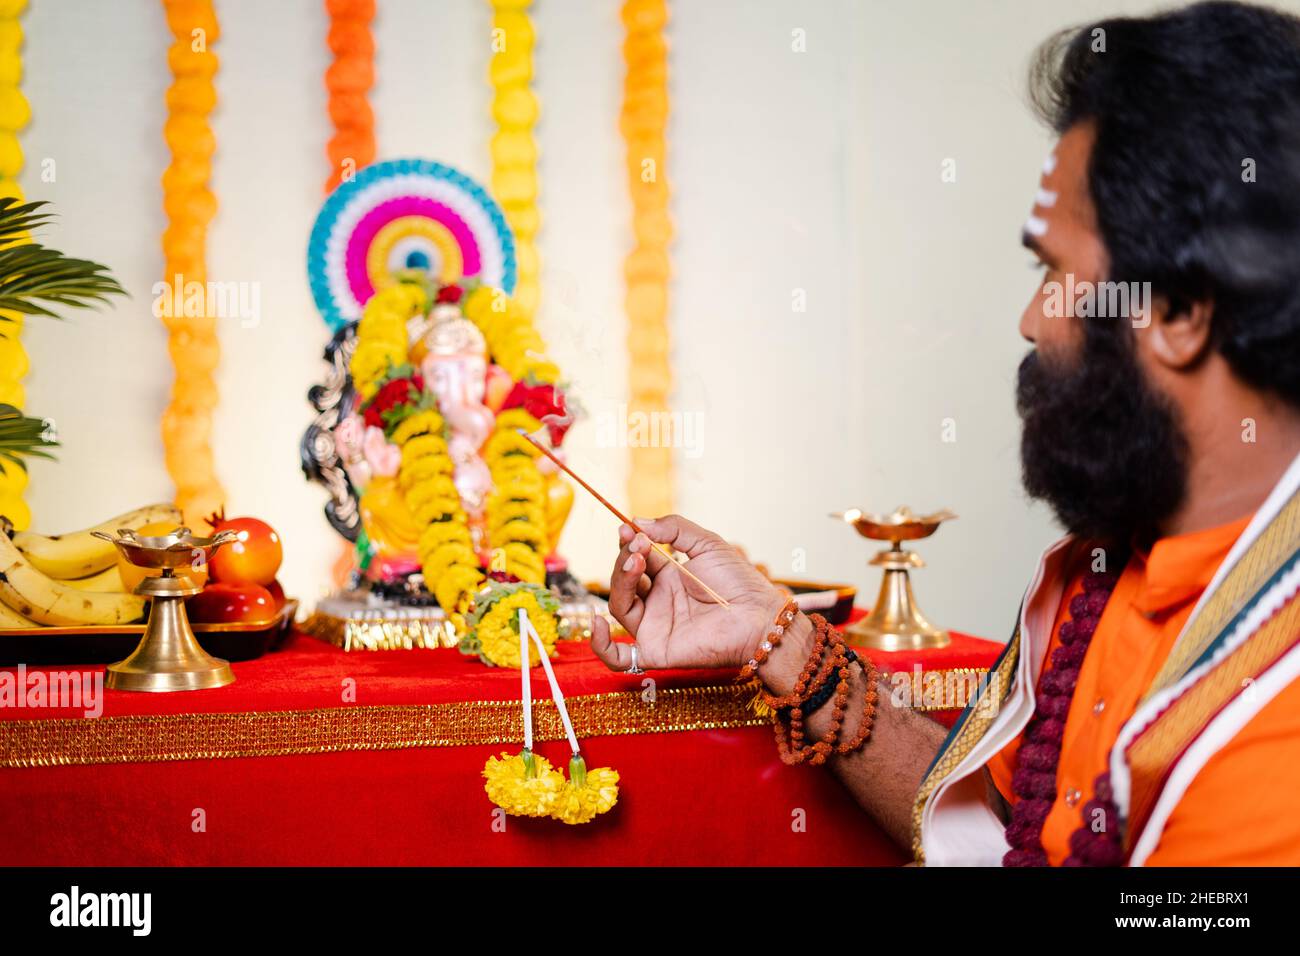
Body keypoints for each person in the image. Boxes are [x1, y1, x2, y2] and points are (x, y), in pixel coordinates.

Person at [590, 0, 1300, 866]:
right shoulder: (1111, 567)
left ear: (1182, 311)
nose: (1032, 319)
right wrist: (772, 635)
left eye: (1056, 272)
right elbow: (999, 833)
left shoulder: (1278, 717)